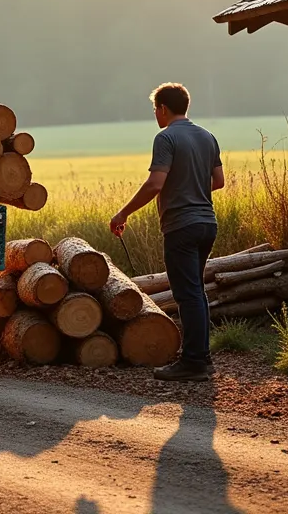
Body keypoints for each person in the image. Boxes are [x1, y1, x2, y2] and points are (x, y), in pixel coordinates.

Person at [109, 83, 224, 382]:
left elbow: (155, 184)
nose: (155, 115)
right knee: (195, 291)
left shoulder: (166, 138)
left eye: (155, 110)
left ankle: (194, 362)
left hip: (181, 226)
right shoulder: (208, 137)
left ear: (162, 108)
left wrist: (123, 213)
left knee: (187, 295)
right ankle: (203, 359)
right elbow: (219, 181)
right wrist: (192, 187)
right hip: (207, 224)